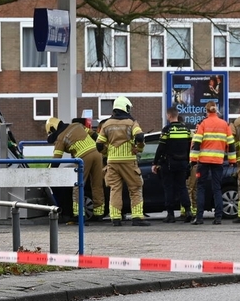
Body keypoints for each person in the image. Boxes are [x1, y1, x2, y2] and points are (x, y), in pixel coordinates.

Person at [96, 96, 149, 227]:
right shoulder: (131, 122)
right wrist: (139, 148)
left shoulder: (106, 124)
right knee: (135, 188)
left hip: (112, 162)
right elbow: (140, 136)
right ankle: (137, 217)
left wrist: (107, 153)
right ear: (126, 107)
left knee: (115, 189)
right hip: (129, 161)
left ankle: (115, 218)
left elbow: (99, 145)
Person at [46, 116, 105, 222]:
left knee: (78, 185)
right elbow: (94, 135)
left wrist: (47, 172)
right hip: (97, 153)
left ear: (53, 129)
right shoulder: (77, 125)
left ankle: (79, 214)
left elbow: (56, 160)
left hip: (83, 157)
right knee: (97, 184)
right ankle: (99, 213)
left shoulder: (60, 138)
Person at [189, 100, 236, 225]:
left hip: (203, 161)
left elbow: (196, 143)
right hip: (218, 161)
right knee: (217, 188)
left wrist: (193, 160)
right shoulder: (224, 124)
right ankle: (218, 217)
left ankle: (199, 218)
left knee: (201, 188)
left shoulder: (203, 124)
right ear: (216, 110)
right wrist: (232, 160)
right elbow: (231, 144)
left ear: (206, 110)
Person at [152, 107, 193, 223]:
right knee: (182, 187)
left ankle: (170, 215)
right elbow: (190, 146)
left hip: (169, 164)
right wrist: (188, 161)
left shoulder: (167, 129)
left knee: (168, 188)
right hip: (183, 163)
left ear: (169, 116)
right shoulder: (186, 129)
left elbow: (161, 147)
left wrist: (155, 163)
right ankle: (188, 211)